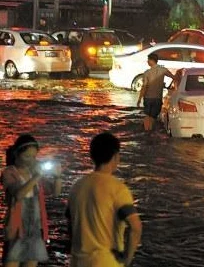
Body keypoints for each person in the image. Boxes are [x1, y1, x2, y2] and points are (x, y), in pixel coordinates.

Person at [66, 132, 142, 267]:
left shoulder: (76, 187)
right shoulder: (118, 189)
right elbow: (135, 227)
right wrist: (127, 259)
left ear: (92, 156)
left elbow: (70, 225)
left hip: (78, 261)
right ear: (116, 157)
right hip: (106, 261)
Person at [1, 134, 62, 267]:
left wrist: (57, 177)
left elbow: (55, 192)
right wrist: (36, 176)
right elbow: (18, 194)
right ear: (17, 155)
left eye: (34, 157)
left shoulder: (34, 173)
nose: (31, 161)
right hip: (16, 229)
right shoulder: (9, 172)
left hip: (34, 228)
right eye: (27, 156)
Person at [136, 53, 175, 131]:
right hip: (157, 98)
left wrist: (139, 99)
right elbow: (173, 77)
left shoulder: (147, 72)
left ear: (151, 60)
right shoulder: (163, 70)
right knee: (153, 117)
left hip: (147, 98)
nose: (147, 62)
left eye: (148, 60)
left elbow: (144, 87)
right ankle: (151, 132)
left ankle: (147, 131)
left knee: (147, 116)